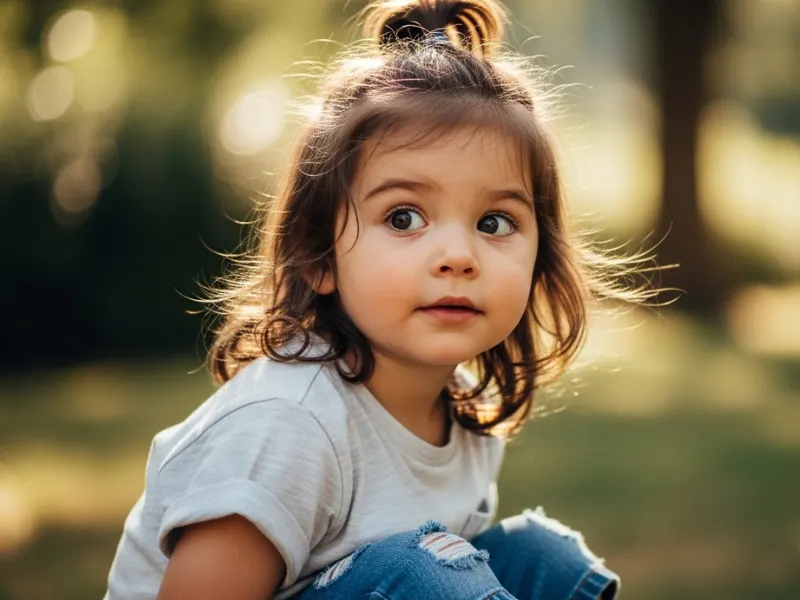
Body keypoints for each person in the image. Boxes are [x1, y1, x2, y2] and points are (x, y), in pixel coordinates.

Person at [105, 0, 651, 598]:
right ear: (319, 257)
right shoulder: (288, 426)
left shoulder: (464, 414)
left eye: (495, 223)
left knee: (542, 561)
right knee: (430, 572)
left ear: (539, 255)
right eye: (405, 216)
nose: (458, 255)